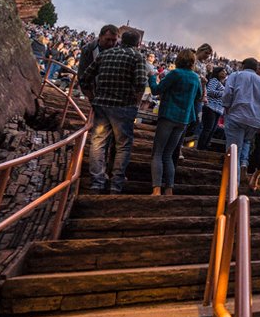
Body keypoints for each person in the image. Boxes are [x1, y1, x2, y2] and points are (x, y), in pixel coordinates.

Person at [80, 29, 147, 194]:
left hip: (102, 105)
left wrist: (92, 97)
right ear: (138, 44)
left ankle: (96, 183)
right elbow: (140, 84)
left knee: (98, 143)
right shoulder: (137, 57)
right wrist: (136, 105)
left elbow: (85, 77)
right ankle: (116, 186)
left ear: (120, 40)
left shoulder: (106, 54)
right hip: (124, 107)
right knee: (123, 146)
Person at [147, 49, 202, 195]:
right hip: (183, 120)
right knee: (169, 154)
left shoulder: (175, 73)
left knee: (158, 153)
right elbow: (199, 96)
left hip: (168, 115)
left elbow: (156, 90)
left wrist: (152, 77)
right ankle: (169, 189)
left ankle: (156, 189)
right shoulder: (195, 77)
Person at [222, 57, 260, 182]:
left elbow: (228, 93)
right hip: (255, 121)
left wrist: (227, 108)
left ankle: (232, 188)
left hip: (237, 117)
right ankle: (242, 167)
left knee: (233, 154)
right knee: (244, 145)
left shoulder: (236, 75)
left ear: (243, 66)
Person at [77, 24, 119, 96]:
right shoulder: (88, 49)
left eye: (114, 40)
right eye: (108, 39)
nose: (110, 43)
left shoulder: (121, 52)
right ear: (100, 36)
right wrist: (89, 94)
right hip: (93, 90)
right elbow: (82, 73)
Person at [197, 66, 227, 151]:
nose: (225, 73)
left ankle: (206, 145)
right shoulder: (214, 80)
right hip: (210, 107)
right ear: (217, 72)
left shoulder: (221, 83)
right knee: (208, 128)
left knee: (213, 129)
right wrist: (224, 93)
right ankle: (201, 146)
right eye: (223, 71)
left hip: (218, 109)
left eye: (225, 71)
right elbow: (209, 91)